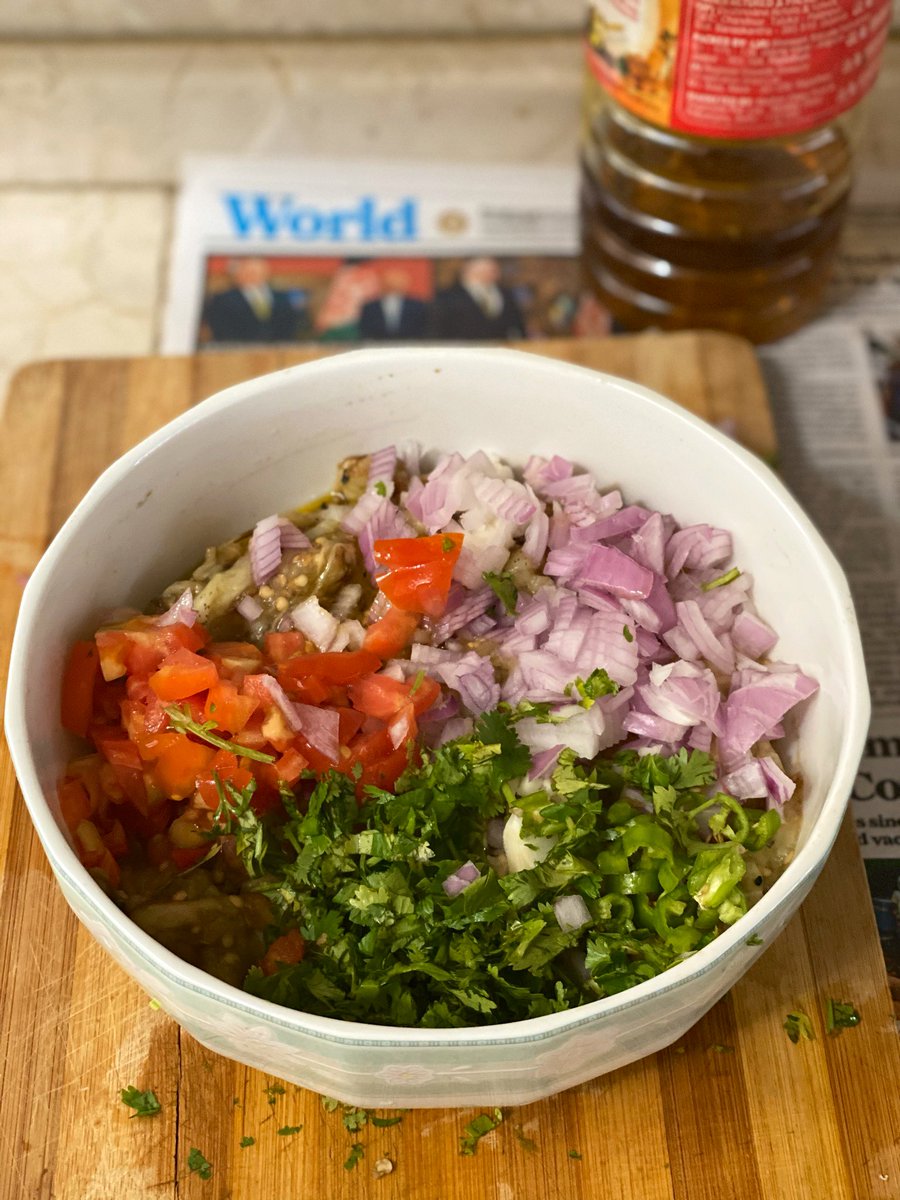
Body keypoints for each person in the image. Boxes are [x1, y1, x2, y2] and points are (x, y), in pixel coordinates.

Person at [203, 257, 301, 344]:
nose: (253, 276)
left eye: (257, 272)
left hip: (277, 350)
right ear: (238, 275)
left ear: (266, 273)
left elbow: (290, 324)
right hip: (238, 352)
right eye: (249, 272)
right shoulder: (223, 299)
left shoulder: (281, 297)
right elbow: (220, 328)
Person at [430, 257, 527, 340]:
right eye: (484, 263)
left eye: (492, 263)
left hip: (501, 352)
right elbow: (438, 330)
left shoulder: (506, 293)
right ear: (468, 267)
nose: (492, 267)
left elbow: (517, 325)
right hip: (464, 353)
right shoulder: (447, 296)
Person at [358, 266, 428, 340]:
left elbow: (422, 327)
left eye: (397, 281)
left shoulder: (416, 305)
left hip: (410, 345)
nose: (394, 284)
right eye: (390, 281)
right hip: (378, 345)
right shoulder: (370, 306)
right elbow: (365, 329)